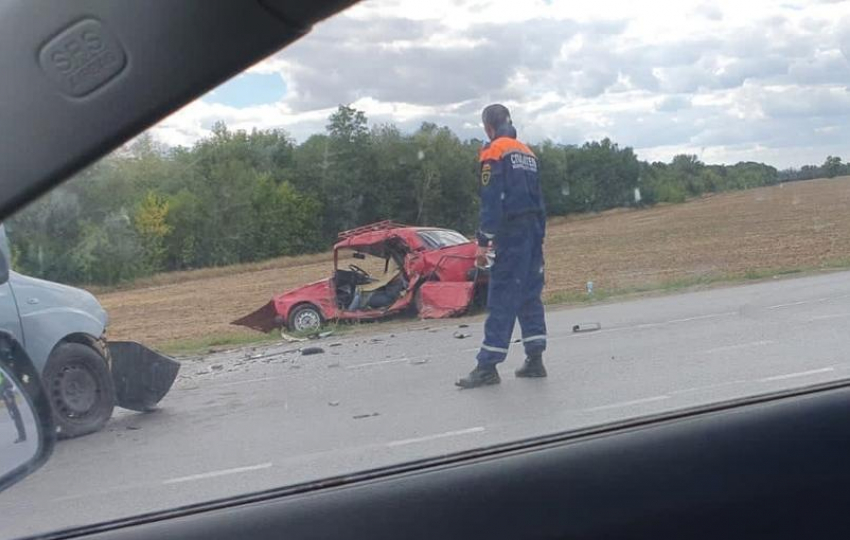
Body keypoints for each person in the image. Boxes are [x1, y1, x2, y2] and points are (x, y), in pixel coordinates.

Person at [456, 104, 548, 389]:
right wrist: (539, 235)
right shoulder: (527, 152)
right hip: (532, 232)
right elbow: (539, 199)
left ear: (488, 127)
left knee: (502, 296)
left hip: (510, 232)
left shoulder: (494, 152)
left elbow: (492, 200)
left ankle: (487, 366)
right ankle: (535, 359)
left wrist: (483, 240)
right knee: (529, 294)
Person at [0, 370, 26, 444]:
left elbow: (7, 384)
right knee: (14, 416)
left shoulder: (2, 375)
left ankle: (22, 436)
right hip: (7, 396)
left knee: (16, 415)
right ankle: (21, 435)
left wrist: (8, 396)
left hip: (8, 397)